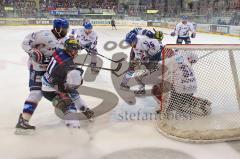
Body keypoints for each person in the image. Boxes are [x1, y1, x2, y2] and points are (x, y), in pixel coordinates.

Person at [15, 18, 69, 133]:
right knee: (36, 93)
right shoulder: (43, 34)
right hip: (37, 68)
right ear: (57, 29)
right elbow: (25, 42)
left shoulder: (65, 39)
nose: (66, 30)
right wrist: (32, 51)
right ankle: (23, 121)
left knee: (62, 89)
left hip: (53, 69)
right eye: (64, 28)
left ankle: (68, 114)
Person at [42, 39, 95, 128]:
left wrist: (72, 66)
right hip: (51, 90)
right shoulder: (68, 64)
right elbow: (72, 83)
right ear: (70, 49)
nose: (76, 53)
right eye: (75, 50)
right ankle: (74, 129)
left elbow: (63, 64)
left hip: (50, 82)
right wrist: (78, 74)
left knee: (73, 93)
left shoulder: (59, 51)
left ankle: (85, 110)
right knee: (68, 104)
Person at [151, 49, 211, 118]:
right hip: (192, 89)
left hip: (179, 91)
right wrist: (190, 62)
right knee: (174, 81)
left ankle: (164, 107)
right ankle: (191, 101)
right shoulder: (183, 55)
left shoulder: (164, 62)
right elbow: (195, 57)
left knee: (155, 88)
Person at [120, 28, 164, 95]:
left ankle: (159, 87)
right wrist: (137, 61)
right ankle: (139, 88)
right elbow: (140, 56)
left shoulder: (145, 42)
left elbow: (160, 46)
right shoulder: (144, 37)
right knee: (134, 69)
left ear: (134, 40)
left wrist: (152, 57)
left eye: (130, 42)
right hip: (143, 55)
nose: (129, 44)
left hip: (152, 58)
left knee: (152, 74)